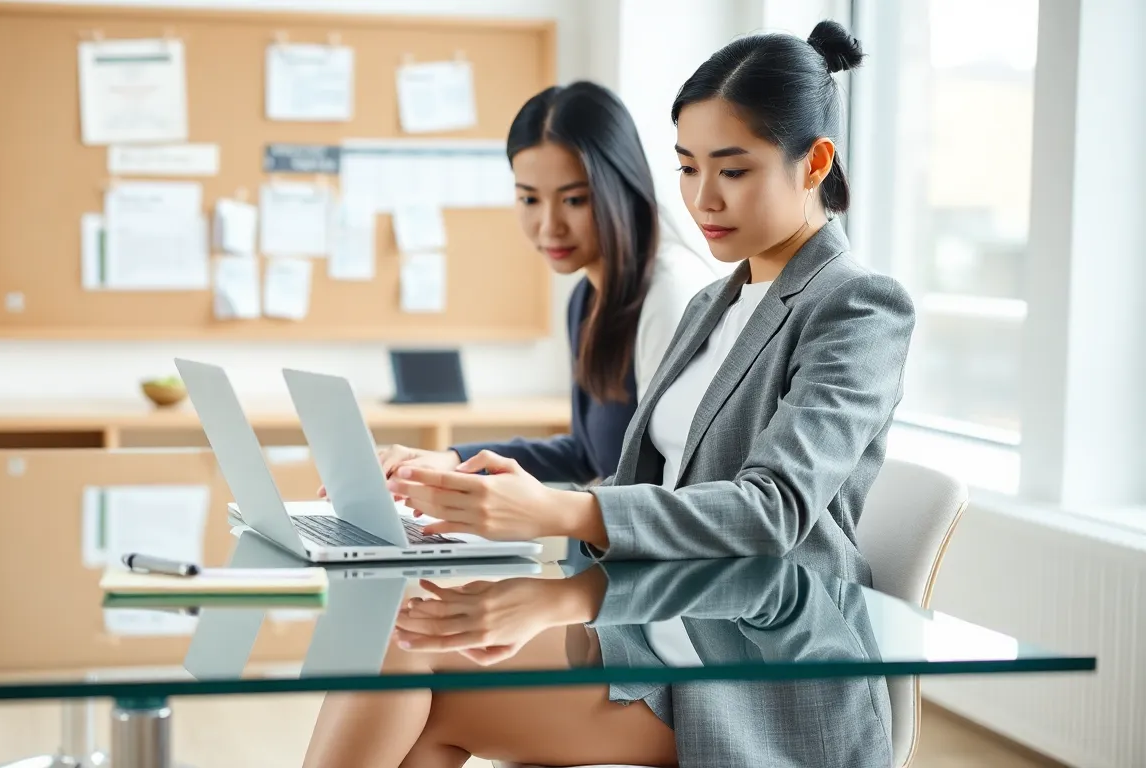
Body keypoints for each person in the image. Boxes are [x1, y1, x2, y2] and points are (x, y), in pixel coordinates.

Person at [304, 20, 914, 768]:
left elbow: (772, 509)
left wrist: (553, 512)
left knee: (411, 670)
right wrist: (487, 497)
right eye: (687, 168)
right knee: (401, 644)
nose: (702, 198)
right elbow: (637, 478)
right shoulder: (714, 304)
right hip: (657, 619)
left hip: (760, 660)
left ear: (814, 162)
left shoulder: (857, 305)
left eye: (733, 170)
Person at [343, 80, 713, 499]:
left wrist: (536, 507)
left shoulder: (671, 294)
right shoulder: (587, 297)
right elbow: (587, 455)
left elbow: (670, 484)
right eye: (529, 199)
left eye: (574, 200)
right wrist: (451, 459)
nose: (548, 225)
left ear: (621, 187)